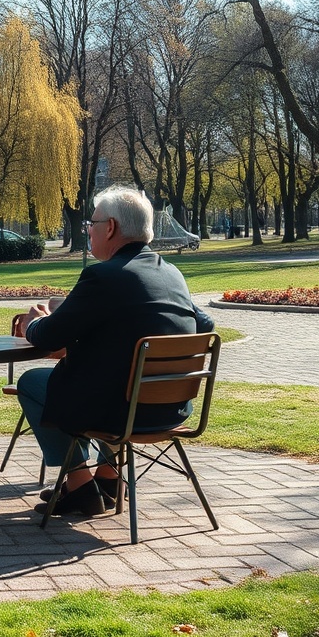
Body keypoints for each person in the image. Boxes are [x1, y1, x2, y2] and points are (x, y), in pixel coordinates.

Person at [16, 185, 215, 518]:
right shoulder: (170, 273)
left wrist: (32, 323)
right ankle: (108, 478)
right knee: (112, 381)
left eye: (90, 224)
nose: (88, 231)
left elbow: (49, 337)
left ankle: (80, 487)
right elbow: (204, 324)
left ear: (110, 228)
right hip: (171, 408)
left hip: (120, 412)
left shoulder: (102, 276)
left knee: (33, 383)